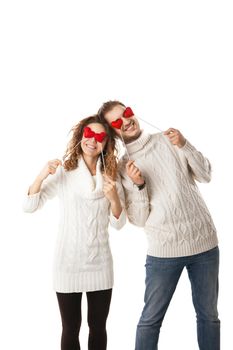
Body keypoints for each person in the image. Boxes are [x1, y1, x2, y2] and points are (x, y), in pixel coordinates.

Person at [98, 101, 220, 350]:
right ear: (113, 132)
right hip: (164, 251)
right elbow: (139, 220)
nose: (126, 121)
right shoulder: (123, 167)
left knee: (209, 317)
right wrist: (139, 184)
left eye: (127, 113)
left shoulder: (168, 139)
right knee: (150, 320)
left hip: (205, 244)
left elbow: (206, 174)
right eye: (117, 122)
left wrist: (184, 144)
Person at [23, 115, 129, 350]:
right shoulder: (65, 171)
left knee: (98, 327)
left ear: (107, 143)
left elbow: (119, 224)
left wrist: (113, 199)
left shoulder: (111, 174)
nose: (93, 140)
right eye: (89, 134)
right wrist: (41, 175)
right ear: (81, 136)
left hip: (100, 263)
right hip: (68, 263)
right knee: (71, 328)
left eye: (100, 136)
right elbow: (29, 206)